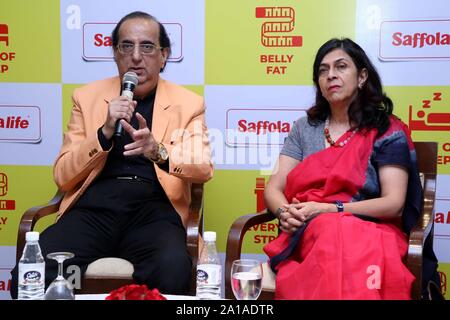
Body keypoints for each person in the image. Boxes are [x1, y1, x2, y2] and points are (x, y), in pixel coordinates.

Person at [11, 11, 213, 298]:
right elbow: (63, 175)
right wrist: (103, 133)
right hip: (95, 207)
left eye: (147, 47)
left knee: (171, 266)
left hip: (154, 209)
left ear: (164, 55)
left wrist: (158, 151)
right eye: (126, 46)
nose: (136, 57)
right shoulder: (87, 97)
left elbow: (202, 167)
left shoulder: (188, 103)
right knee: (35, 268)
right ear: (115, 53)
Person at [263, 38, 440, 300]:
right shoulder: (305, 128)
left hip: (371, 233)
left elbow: (393, 203)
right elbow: (275, 186)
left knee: (334, 231)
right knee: (327, 231)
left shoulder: (386, 130)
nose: (331, 75)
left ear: (362, 77)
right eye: (323, 70)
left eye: (341, 66)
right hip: (308, 233)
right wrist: (284, 212)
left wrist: (330, 210)